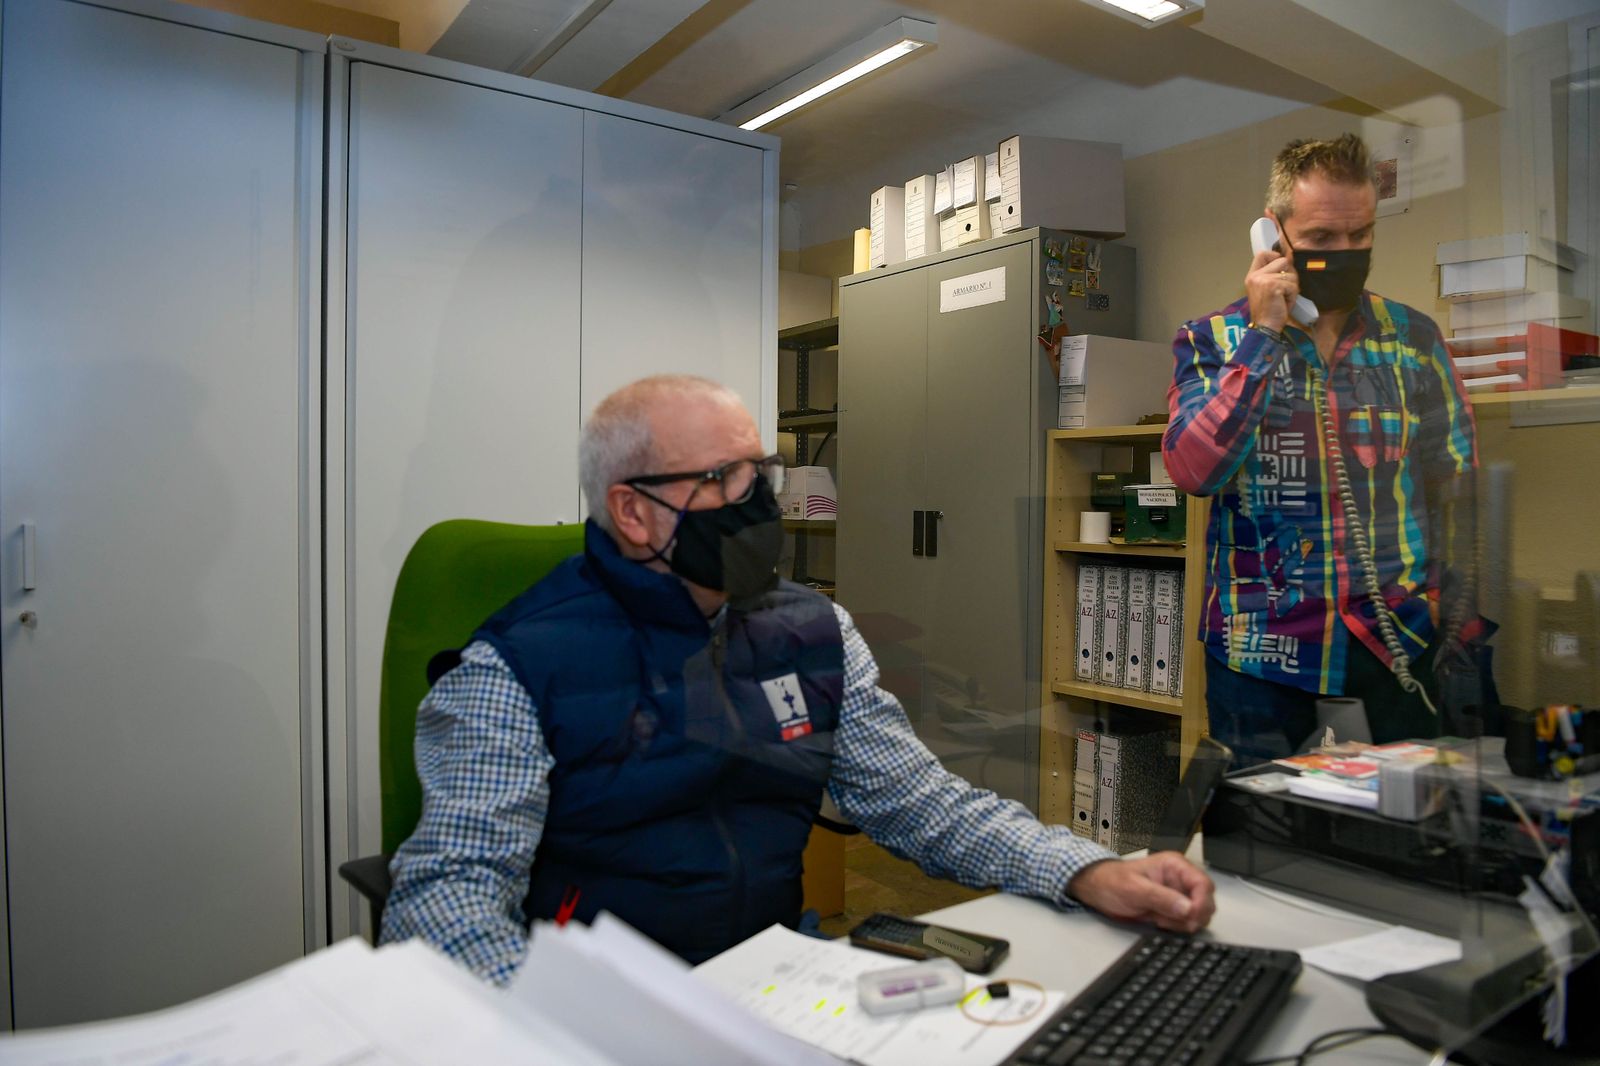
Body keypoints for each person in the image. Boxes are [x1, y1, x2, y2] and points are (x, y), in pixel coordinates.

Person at [382, 374, 1215, 984]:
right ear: (633, 511)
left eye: (763, 474)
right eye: (721, 480)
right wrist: (551, 1033)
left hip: (772, 983)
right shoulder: (515, 667)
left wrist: (1081, 869)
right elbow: (447, 897)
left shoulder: (814, 630)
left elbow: (914, 802)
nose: (757, 504)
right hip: (606, 1009)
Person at [1161, 134, 1477, 766]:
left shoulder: (1414, 339)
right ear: (1273, 233)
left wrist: (1459, 629)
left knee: (1398, 850)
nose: (1346, 253)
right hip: (1260, 659)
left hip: (1395, 646)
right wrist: (1265, 333)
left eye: (1361, 236)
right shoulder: (1211, 340)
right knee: (1265, 852)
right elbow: (1193, 468)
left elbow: (1459, 489)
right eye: (1324, 239)